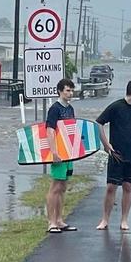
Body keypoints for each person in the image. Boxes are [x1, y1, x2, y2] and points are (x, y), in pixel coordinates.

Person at [96, 80, 131, 231]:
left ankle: (124, 220)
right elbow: (99, 123)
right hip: (117, 154)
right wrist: (106, 145)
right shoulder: (116, 106)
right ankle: (105, 219)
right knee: (111, 187)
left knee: (128, 186)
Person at [45, 78, 78, 234]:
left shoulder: (70, 108)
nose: (70, 93)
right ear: (60, 91)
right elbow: (50, 130)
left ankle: (59, 219)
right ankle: (51, 222)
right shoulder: (54, 109)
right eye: (67, 90)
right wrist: (54, 151)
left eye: (72, 90)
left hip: (68, 153)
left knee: (63, 186)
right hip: (58, 153)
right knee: (55, 186)